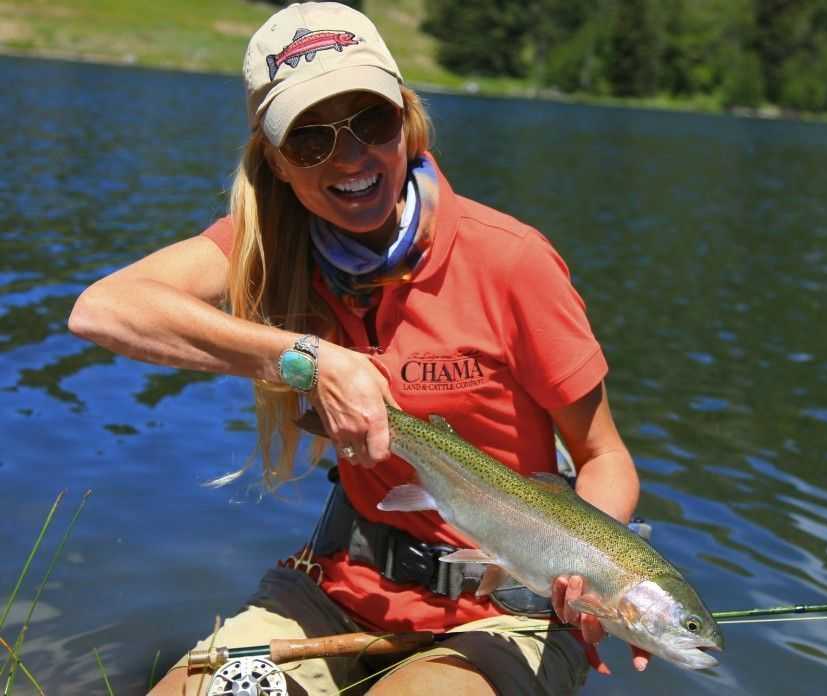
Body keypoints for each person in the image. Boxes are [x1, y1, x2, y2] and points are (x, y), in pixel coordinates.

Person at [68, 3, 644, 694]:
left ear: (408, 119)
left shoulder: (511, 260)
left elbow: (603, 457)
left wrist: (596, 571)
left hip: (504, 611)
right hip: (336, 589)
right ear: (276, 163)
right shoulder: (271, 245)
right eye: (311, 140)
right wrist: (307, 357)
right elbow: (102, 311)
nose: (349, 159)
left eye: (371, 122)